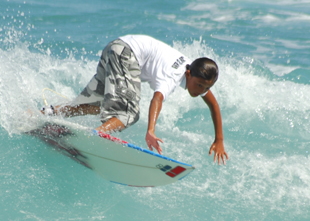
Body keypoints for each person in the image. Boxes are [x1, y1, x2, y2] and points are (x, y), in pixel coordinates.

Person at [44, 35, 229, 165]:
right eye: (199, 85)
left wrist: (219, 139)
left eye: (207, 88)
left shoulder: (196, 70)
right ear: (188, 74)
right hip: (125, 53)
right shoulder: (173, 76)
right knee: (128, 114)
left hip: (115, 47)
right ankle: (92, 139)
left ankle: (48, 113)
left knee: (97, 104)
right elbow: (157, 99)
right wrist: (151, 131)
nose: (201, 91)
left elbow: (213, 104)